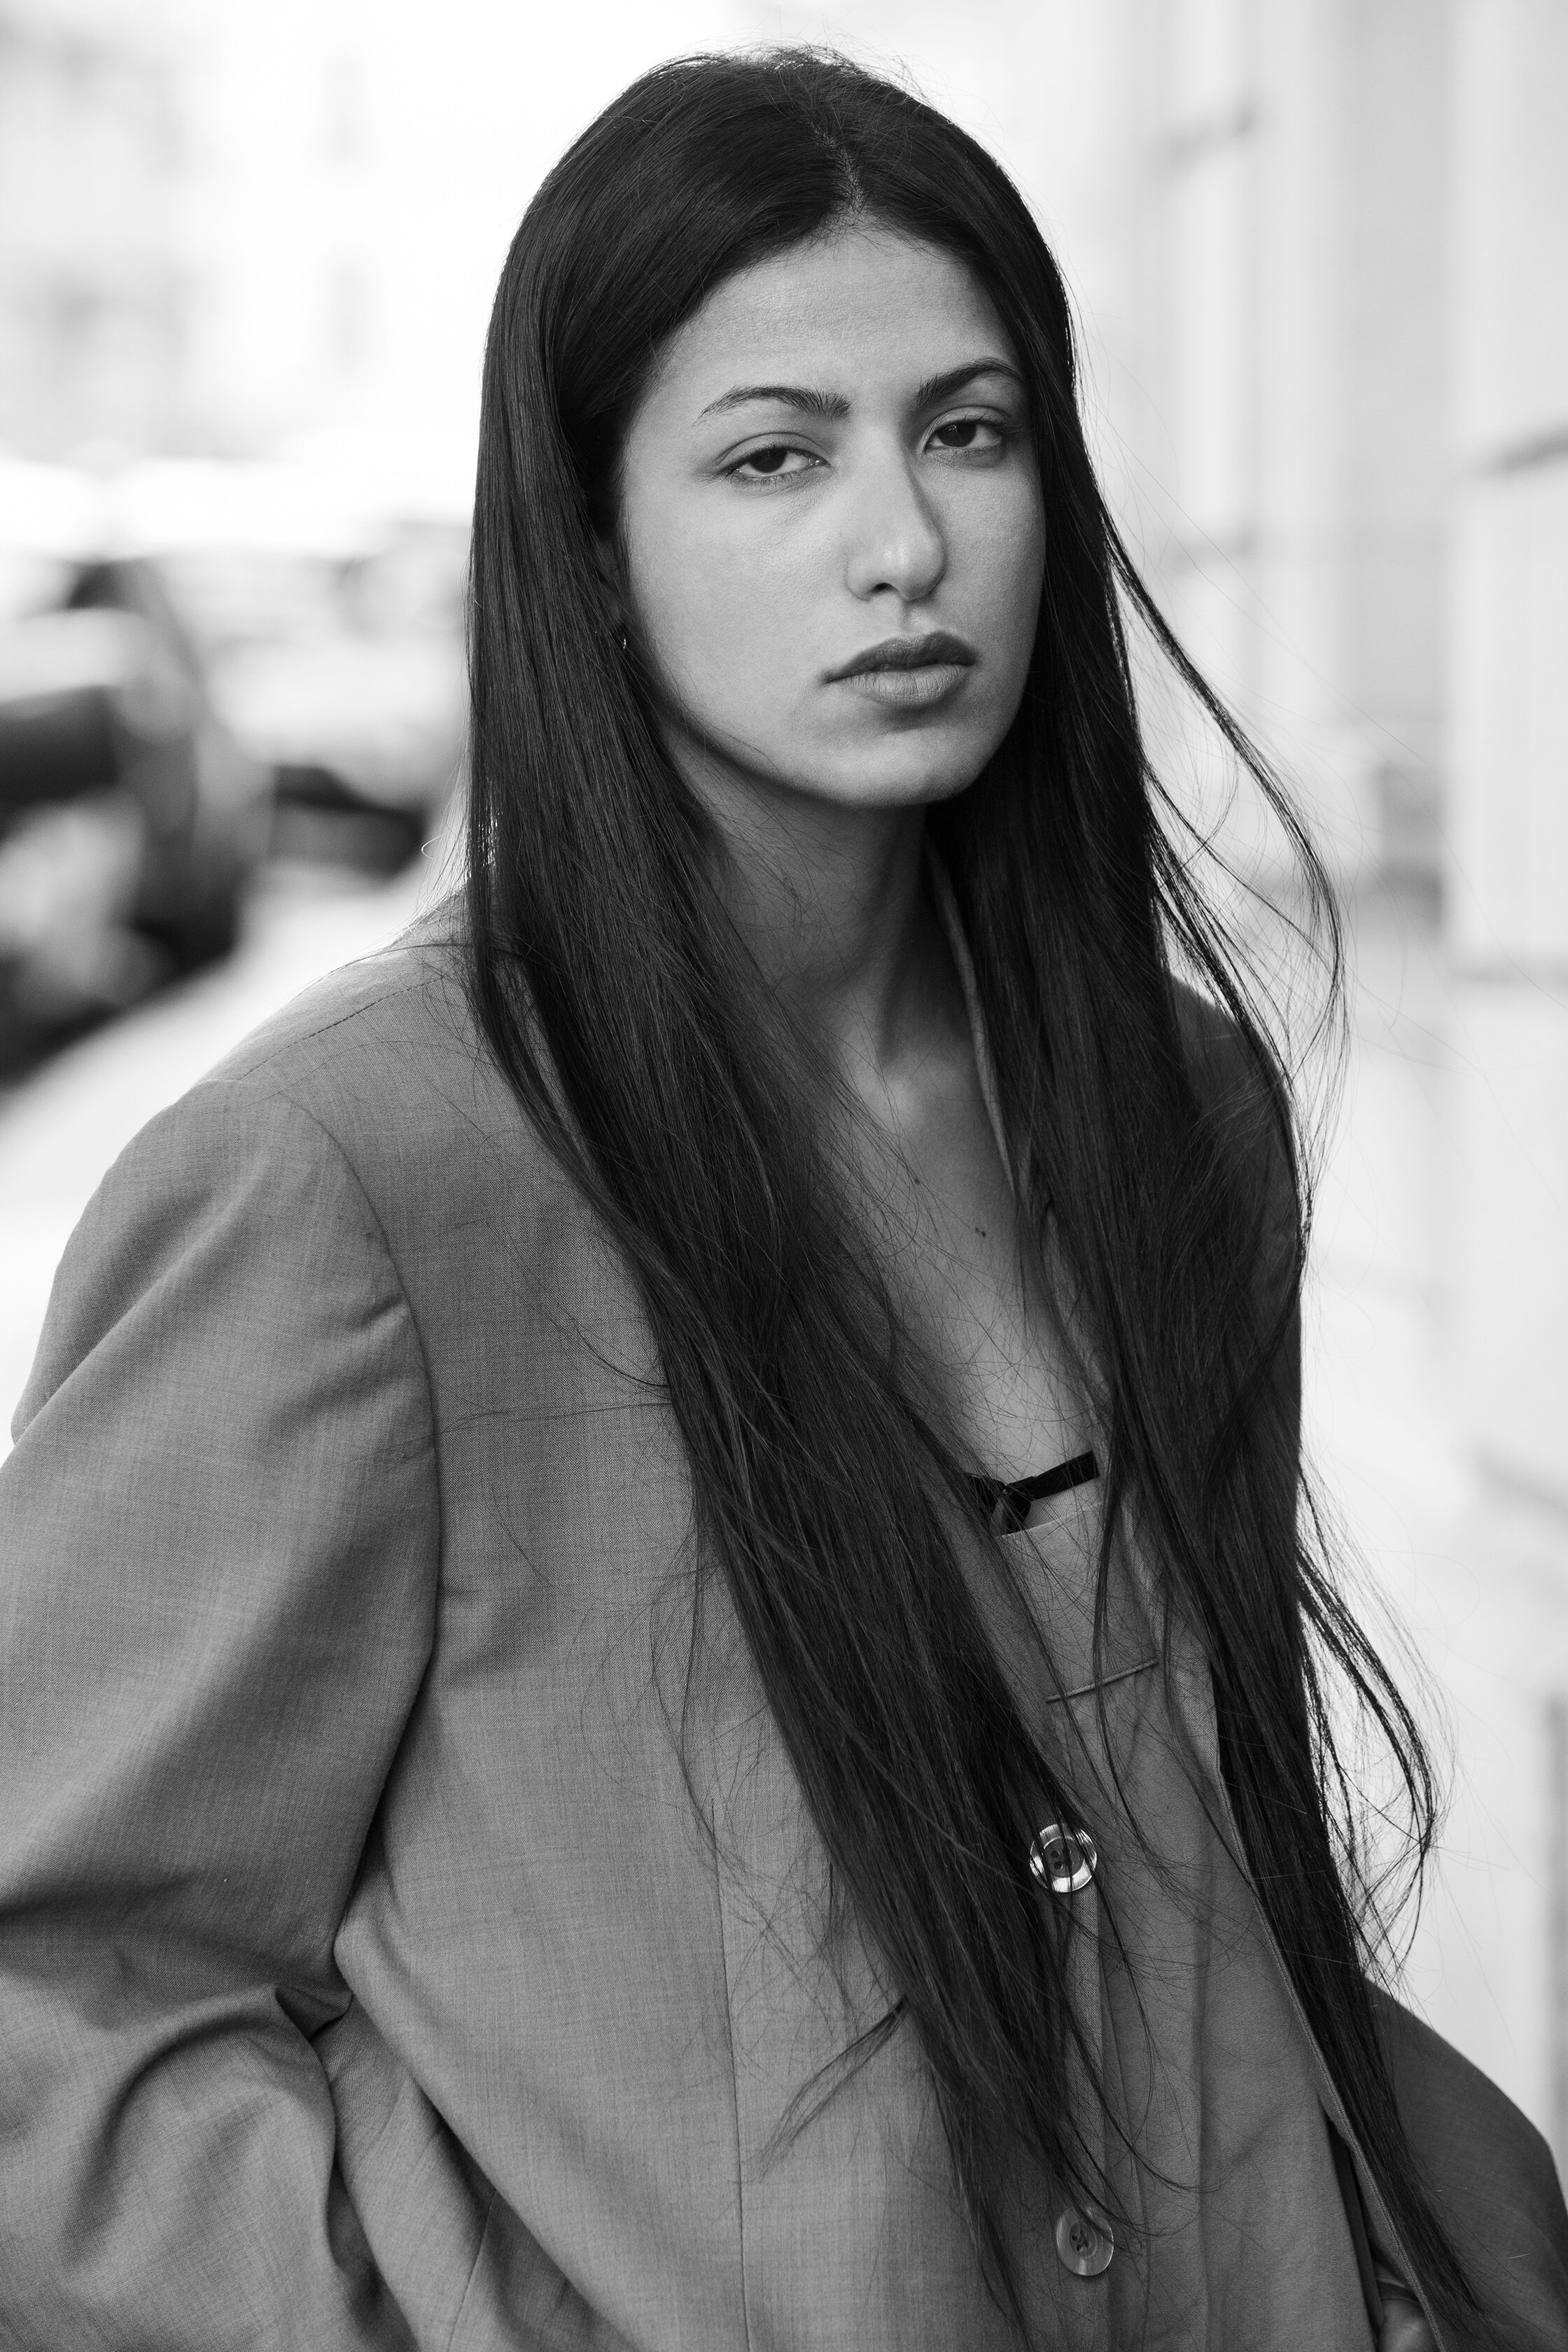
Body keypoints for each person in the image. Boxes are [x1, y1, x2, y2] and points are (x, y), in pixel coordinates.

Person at [1, 48, 1563, 2352]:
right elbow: (55, 2016)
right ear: (592, 551)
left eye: (970, 431)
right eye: (772, 456)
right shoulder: (348, 1184)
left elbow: (1196, 1855)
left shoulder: (1179, 1108)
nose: (902, 542)